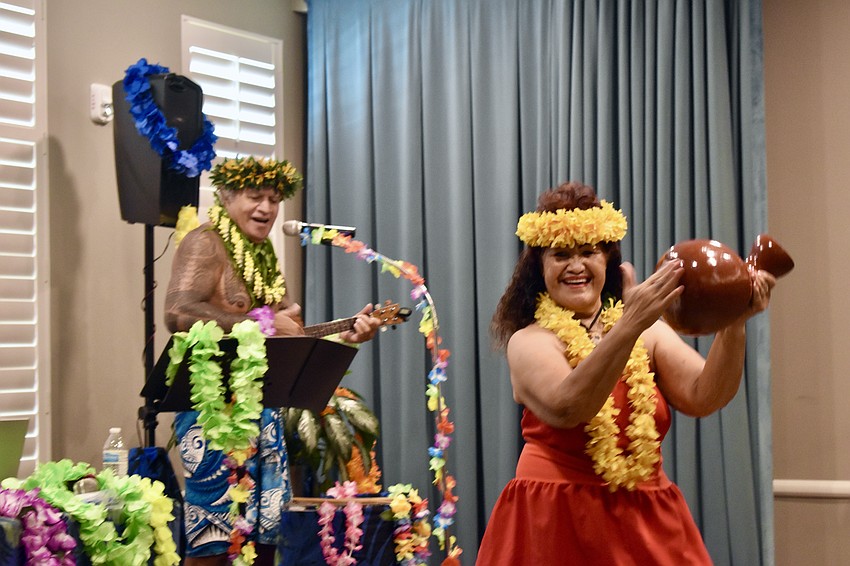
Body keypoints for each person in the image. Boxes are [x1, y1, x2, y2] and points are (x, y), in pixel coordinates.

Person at [476, 181, 775, 565]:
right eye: (560, 255)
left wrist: (734, 320)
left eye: (589, 252)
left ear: (608, 262)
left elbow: (705, 396)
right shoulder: (531, 340)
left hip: (644, 517)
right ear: (540, 267)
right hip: (555, 519)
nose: (576, 265)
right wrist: (629, 325)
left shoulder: (645, 331)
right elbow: (569, 408)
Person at [164, 155, 381, 566]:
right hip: (210, 416)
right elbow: (177, 312)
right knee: (212, 540)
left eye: (273, 199)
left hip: (262, 412)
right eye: (254, 197)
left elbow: (287, 336)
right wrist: (256, 324)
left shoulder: (261, 255)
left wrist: (348, 332)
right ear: (227, 196)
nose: (266, 208)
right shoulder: (205, 242)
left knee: (266, 538)